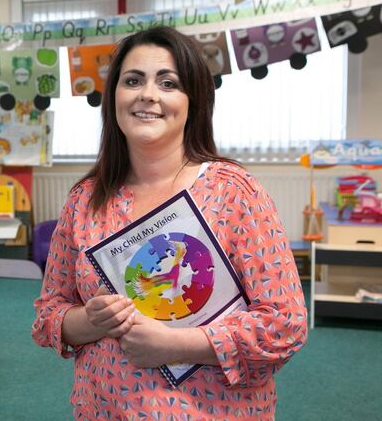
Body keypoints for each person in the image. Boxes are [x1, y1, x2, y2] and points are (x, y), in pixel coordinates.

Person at [32, 26, 308, 420]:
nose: (148, 94)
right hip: (104, 408)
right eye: (133, 80)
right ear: (113, 99)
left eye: (168, 82)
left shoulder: (234, 193)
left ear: (193, 102)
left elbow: (285, 325)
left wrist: (178, 344)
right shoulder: (85, 201)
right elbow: (47, 316)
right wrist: (88, 322)